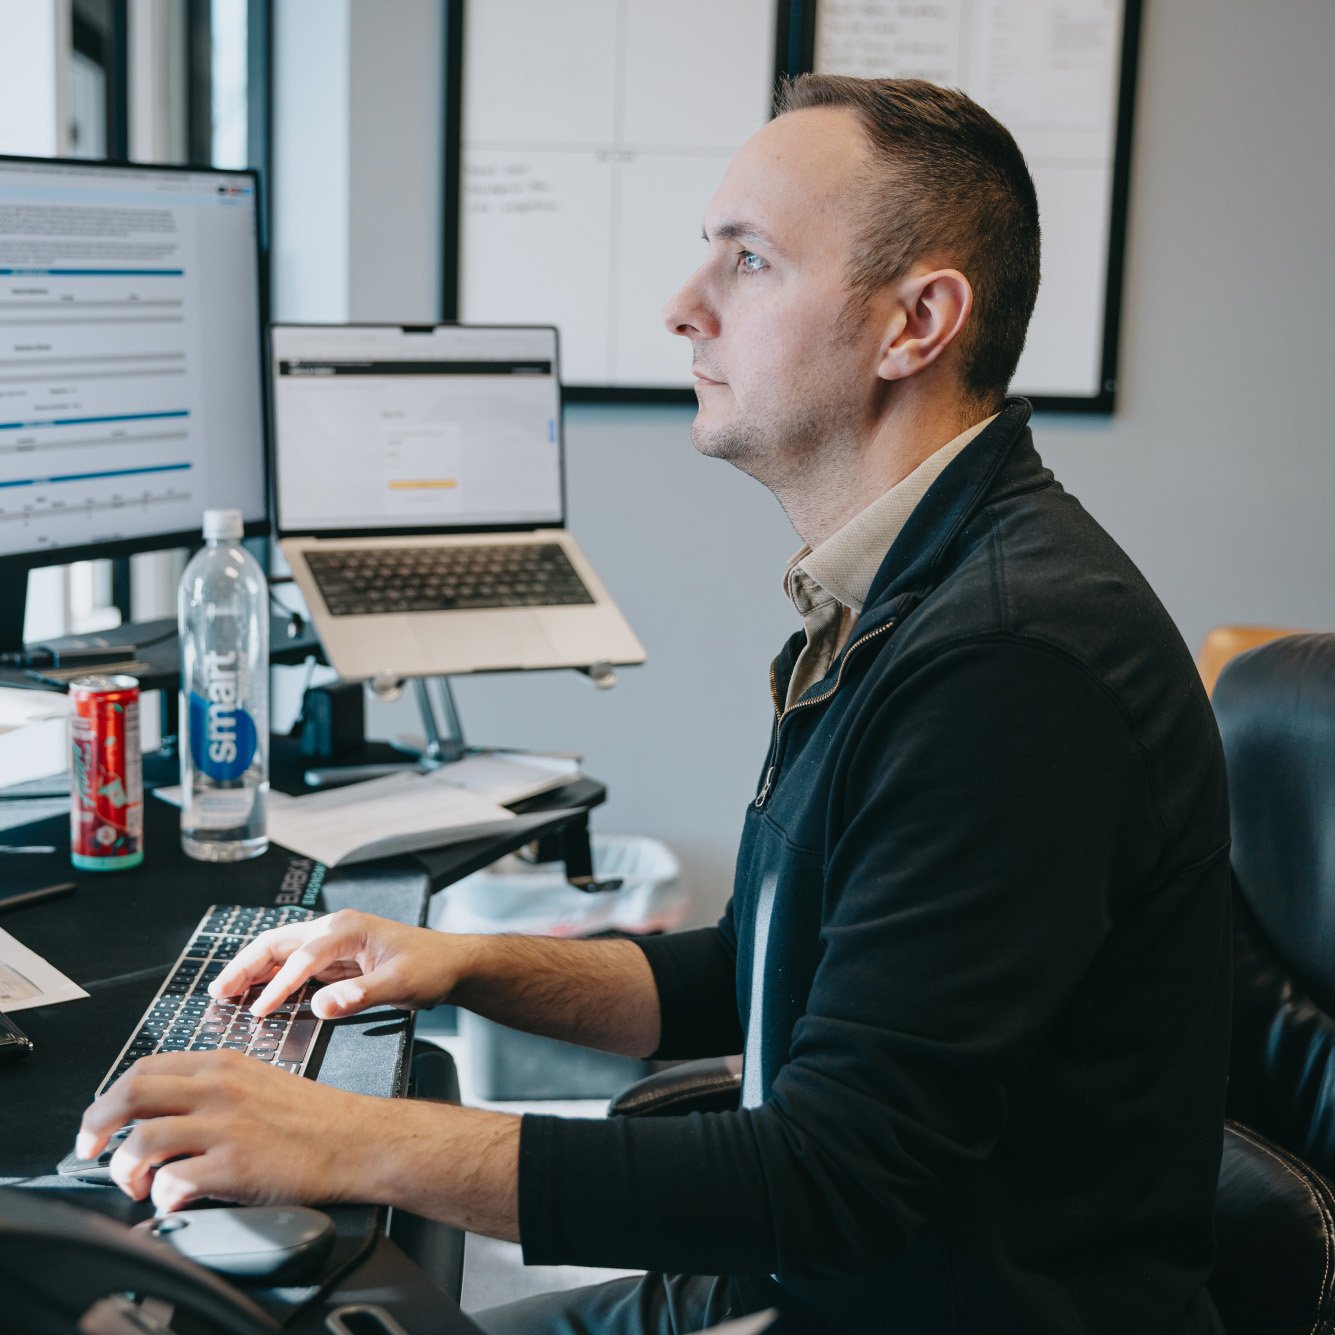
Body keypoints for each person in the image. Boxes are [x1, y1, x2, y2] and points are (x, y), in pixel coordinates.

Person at [78, 76, 1232, 1334]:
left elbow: (833, 1179)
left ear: (918, 322)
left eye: (749, 261)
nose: (684, 309)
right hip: (804, 1281)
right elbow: (752, 971)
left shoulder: (1010, 664)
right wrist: (459, 963)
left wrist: (351, 1137)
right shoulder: (913, 590)